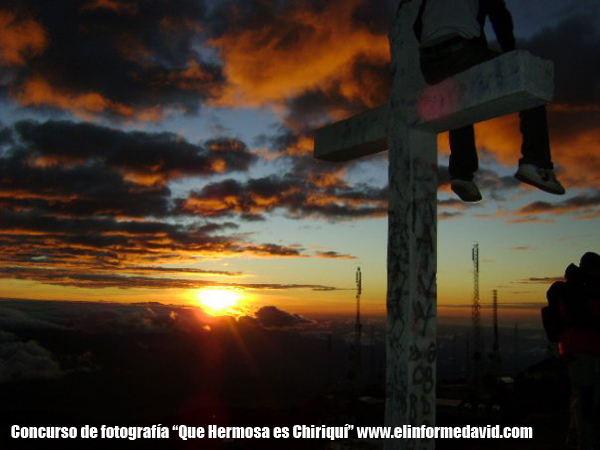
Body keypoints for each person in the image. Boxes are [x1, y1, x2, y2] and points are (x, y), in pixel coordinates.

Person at [413, 0, 566, 202]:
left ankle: (462, 173)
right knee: (528, 72)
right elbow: (499, 17)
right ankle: (537, 162)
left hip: (429, 65)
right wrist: (510, 54)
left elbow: (417, 27)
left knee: (460, 98)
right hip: (459, 52)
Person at [551, 252, 600, 449]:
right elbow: (589, 320)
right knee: (584, 397)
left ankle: (575, 437)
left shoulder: (574, 289)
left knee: (579, 395)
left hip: (576, 350)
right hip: (581, 350)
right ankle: (583, 441)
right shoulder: (580, 292)